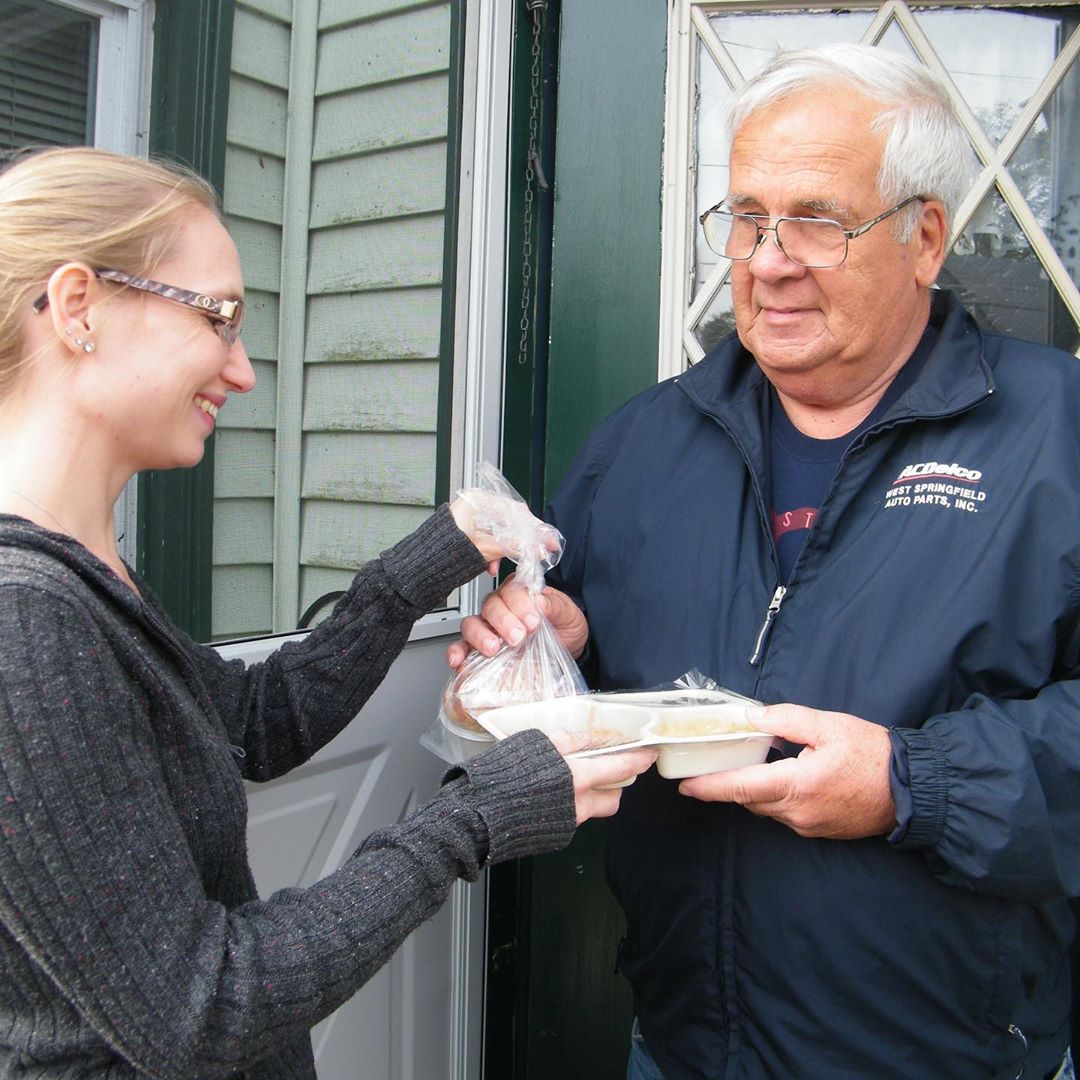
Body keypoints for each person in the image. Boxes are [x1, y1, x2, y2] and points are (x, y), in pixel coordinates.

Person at [450, 43, 1080, 1080]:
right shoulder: (643, 443)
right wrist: (559, 651)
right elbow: (609, 680)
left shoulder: (1053, 430)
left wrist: (911, 783)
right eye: (746, 217)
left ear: (926, 238)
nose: (767, 257)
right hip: (685, 1047)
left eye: (818, 221)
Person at [0, 145, 655, 1079]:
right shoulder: (23, 622)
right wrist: (477, 816)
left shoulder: (89, 569)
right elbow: (202, 1009)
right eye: (219, 318)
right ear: (78, 307)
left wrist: (426, 564)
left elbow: (250, 727)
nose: (243, 369)